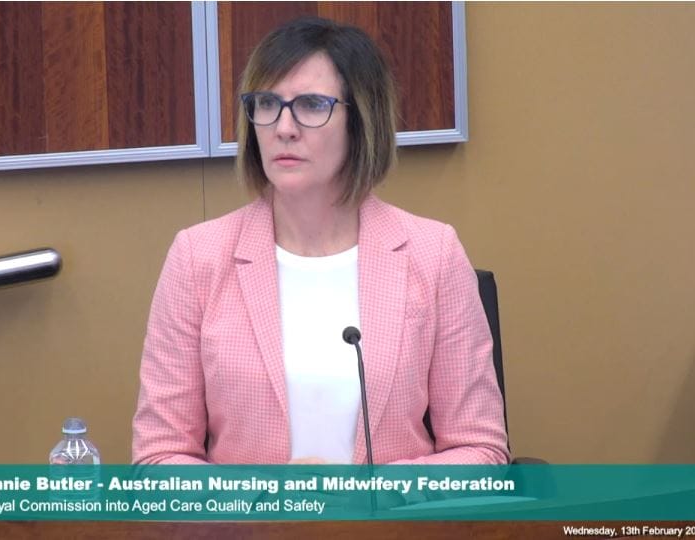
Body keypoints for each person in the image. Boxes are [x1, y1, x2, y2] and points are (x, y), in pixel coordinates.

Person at [132, 17, 508, 465]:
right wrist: (268, 496)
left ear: (361, 120)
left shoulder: (433, 253)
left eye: (311, 105)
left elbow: (481, 450)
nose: (283, 127)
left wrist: (374, 493)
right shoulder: (198, 257)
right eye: (267, 103)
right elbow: (159, 457)